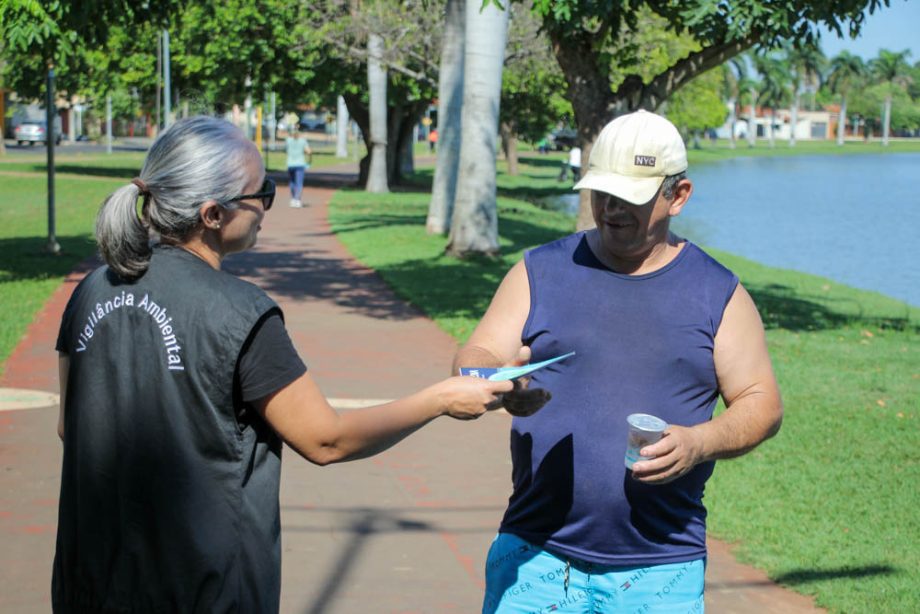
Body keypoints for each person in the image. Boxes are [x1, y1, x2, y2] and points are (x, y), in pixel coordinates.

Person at [53, 116, 512, 613]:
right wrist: (441, 398)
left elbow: (69, 426)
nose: (267, 205)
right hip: (203, 589)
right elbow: (325, 439)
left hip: (92, 581)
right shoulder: (240, 312)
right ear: (212, 213)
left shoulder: (91, 290)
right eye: (261, 192)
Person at [454, 110, 783, 613]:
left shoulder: (719, 293)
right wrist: (487, 381)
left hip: (661, 568)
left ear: (678, 196)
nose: (611, 208)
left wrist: (700, 442)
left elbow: (761, 403)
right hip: (534, 554)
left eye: (631, 196)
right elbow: (479, 353)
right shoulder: (539, 270)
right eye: (601, 192)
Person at [285, 124, 312, 207]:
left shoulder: (288, 140)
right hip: (300, 164)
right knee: (299, 183)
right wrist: (310, 160)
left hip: (290, 164)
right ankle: (297, 199)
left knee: (292, 182)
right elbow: (309, 151)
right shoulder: (303, 141)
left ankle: (293, 199)